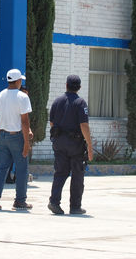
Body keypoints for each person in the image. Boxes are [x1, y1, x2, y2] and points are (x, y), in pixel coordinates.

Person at [0, 68, 33, 211]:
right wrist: (26, 142)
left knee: (1, 167)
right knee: (22, 169)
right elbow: (24, 121)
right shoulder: (22, 97)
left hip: (1, 134)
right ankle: (20, 201)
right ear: (18, 81)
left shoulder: (0, 96)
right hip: (16, 136)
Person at [47, 74, 93, 215]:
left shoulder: (57, 101)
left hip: (59, 142)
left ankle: (54, 202)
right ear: (79, 87)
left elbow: (52, 123)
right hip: (75, 145)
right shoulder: (80, 103)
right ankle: (75, 206)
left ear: (66, 85)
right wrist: (89, 146)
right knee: (77, 175)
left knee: (60, 173)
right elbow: (84, 125)